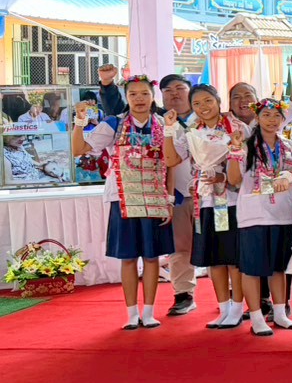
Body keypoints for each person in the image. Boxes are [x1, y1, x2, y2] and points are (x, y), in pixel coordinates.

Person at [77, 74, 174, 329]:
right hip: (123, 198)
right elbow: (79, 149)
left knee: (152, 258)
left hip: (154, 198)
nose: (139, 99)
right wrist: (79, 121)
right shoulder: (114, 123)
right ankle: (132, 313)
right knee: (128, 258)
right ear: (126, 97)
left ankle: (149, 312)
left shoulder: (164, 124)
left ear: (153, 96)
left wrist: (169, 199)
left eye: (144, 94)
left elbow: (171, 164)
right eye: (133, 94)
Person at [165, 84, 245, 328]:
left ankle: (237, 308)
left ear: (218, 101)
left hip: (229, 201)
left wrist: (223, 176)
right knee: (214, 257)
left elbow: (247, 165)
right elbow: (171, 158)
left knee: (232, 257)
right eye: (197, 103)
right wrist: (169, 130)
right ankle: (223, 309)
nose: (203, 107)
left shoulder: (236, 127)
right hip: (204, 202)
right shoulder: (192, 130)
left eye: (208, 101)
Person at [226, 98, 292, 336]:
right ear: (257, 117)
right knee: (252, 269)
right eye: (266, 115)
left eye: (277, 115)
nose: (272, 120)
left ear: (283, 119)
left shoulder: (289, 146)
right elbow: (233, 180)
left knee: (279, 268)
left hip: (282, 215)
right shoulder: (246, 145)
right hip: (253, 215)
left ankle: (280, 314)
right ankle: (257, 317)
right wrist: (235, 150)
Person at [157, 73, 198, 317]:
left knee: (222, 245)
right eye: (168, 90)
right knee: (180, 248)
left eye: (179, 88)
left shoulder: (207, 116)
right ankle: (184, 294)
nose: (174, 94)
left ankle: (232, 296)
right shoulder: (158, 122)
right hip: (179, 195)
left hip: (214, 196)